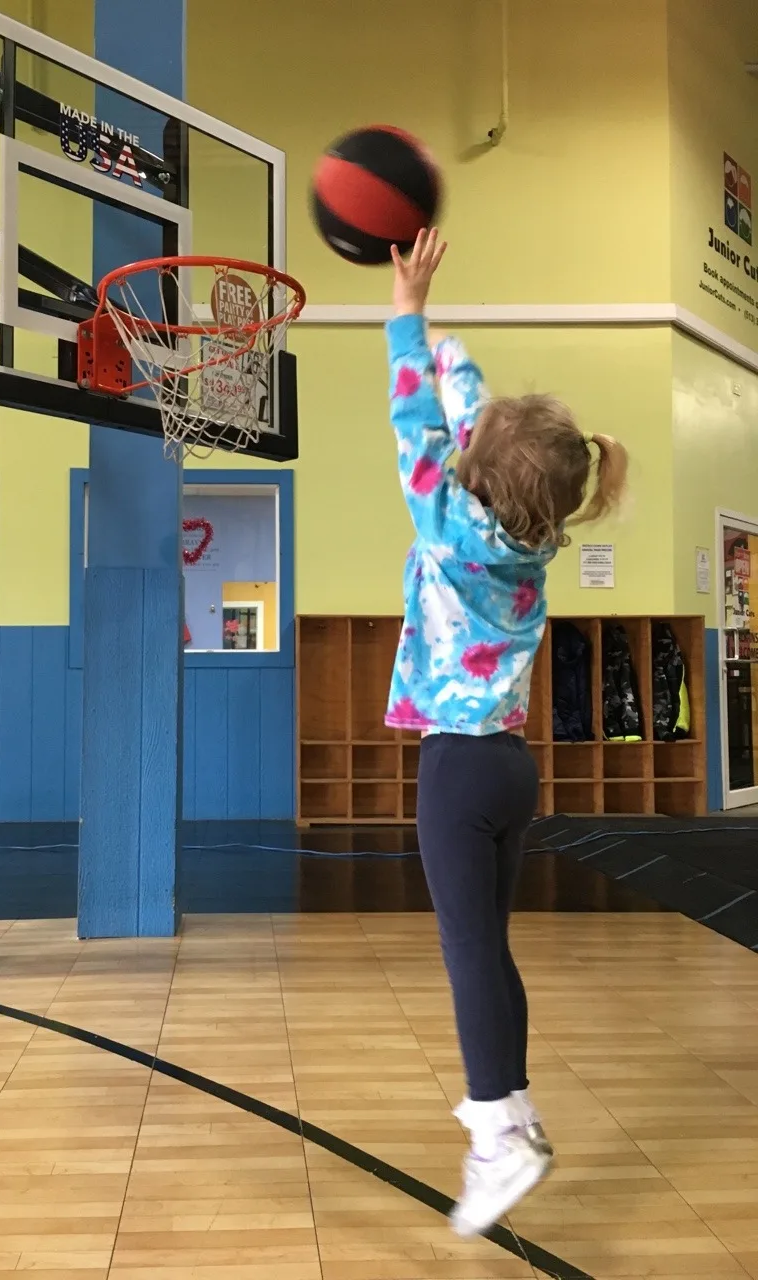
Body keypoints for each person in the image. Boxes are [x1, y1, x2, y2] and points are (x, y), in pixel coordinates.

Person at [385, 229, 628, 1237]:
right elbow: (464, 422)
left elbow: (417, 419)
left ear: (478, 466)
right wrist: (438, 335)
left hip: (457, 769)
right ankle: (516, 1103)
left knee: (468, 951)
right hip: (507, 769)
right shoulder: (529, 535)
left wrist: (412, 312)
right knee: (489, 947)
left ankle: (496, 1134)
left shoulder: (447, 520)